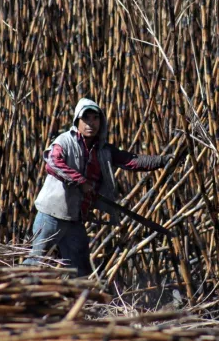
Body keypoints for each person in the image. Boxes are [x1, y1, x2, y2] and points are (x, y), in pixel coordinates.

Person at [23, 98, 173, 276]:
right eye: (86, 118)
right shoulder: (65, 141)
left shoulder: (102, 149)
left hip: (75, 218)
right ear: (77, 121)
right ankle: (13, 288)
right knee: (36, 261)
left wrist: (162, 161)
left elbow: (130, 160)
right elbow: (52, 162)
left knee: (80, 270)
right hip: (51, 215)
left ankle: (79, 295)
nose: (91, 123)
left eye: (95, 118)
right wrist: (80, 181)